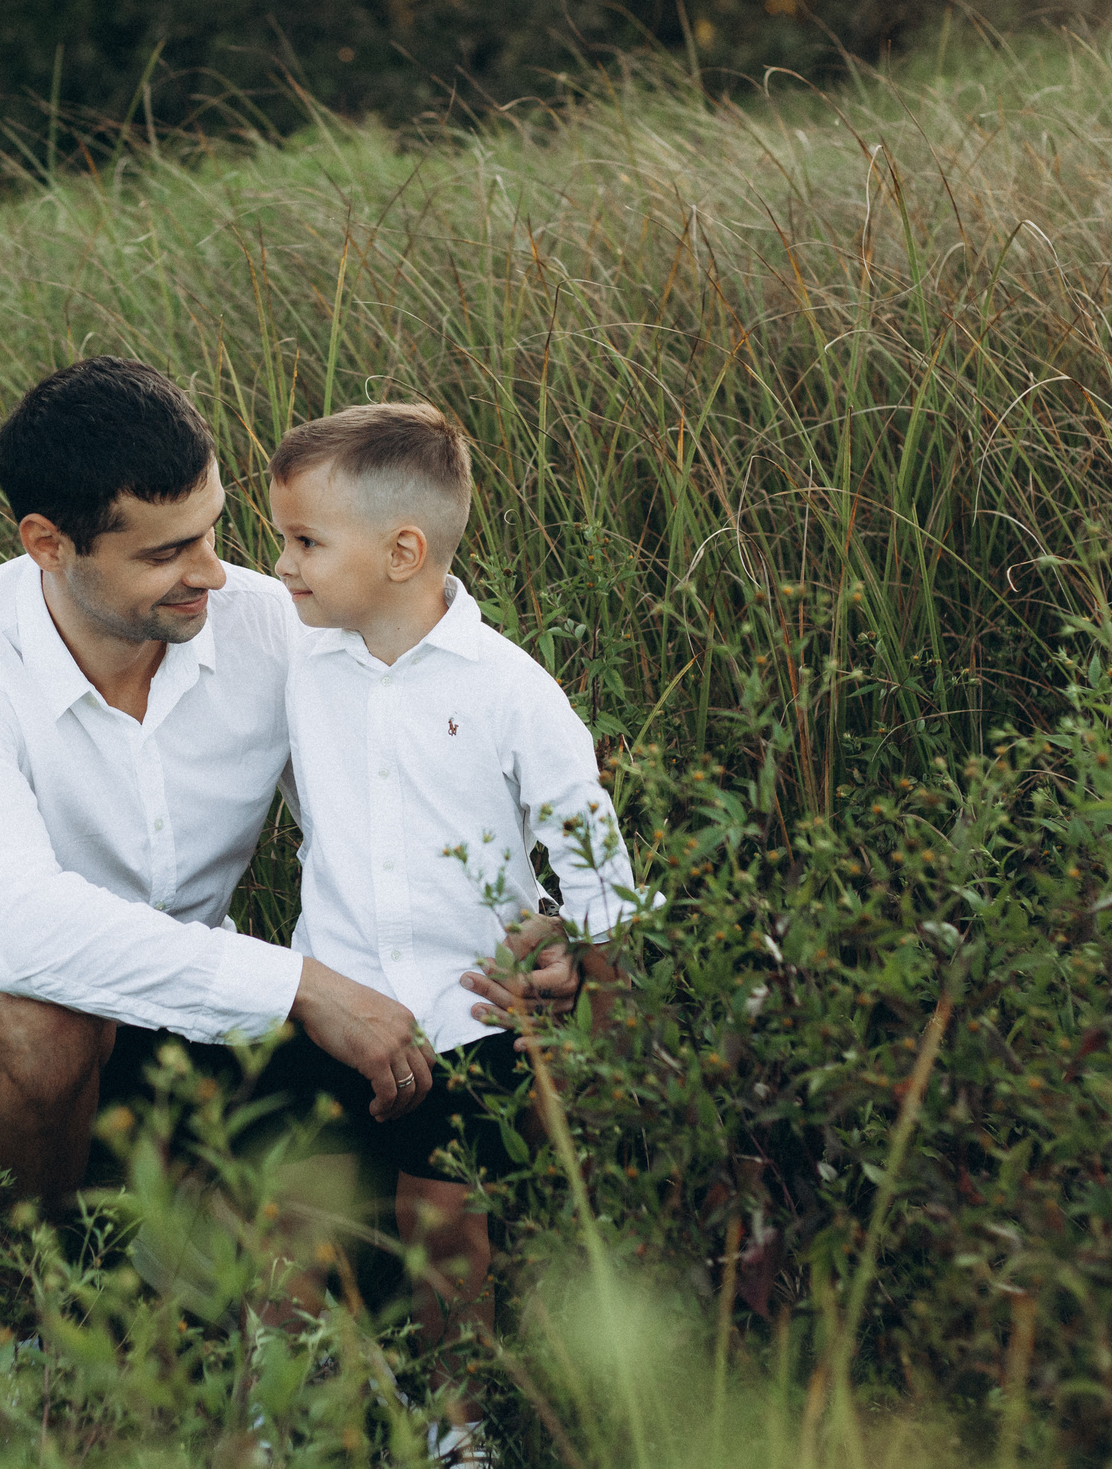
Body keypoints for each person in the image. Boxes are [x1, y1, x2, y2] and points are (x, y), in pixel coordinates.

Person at [0, 358, 584, 1207]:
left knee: (385, 1205)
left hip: (188, 1022)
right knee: (40, 1018)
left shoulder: (272, 628)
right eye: (167, 552)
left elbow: (401, 807)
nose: (213, 571)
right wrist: (301, 987)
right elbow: (6, 929)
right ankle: (1, 1317)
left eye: (212, 529)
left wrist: (535, 923)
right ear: (47, 545)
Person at [267, 401, 645, 1450]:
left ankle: (457, 1422)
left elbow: (592, 855)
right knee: (291, 1210)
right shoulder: (300, 663)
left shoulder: (509, 691)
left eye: (303, 543)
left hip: (467, 1011)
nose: (281, 568)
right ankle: (276, 1411)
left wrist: (585, 989)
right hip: (333, 998)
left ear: (403, 551)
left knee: (446, 1224)